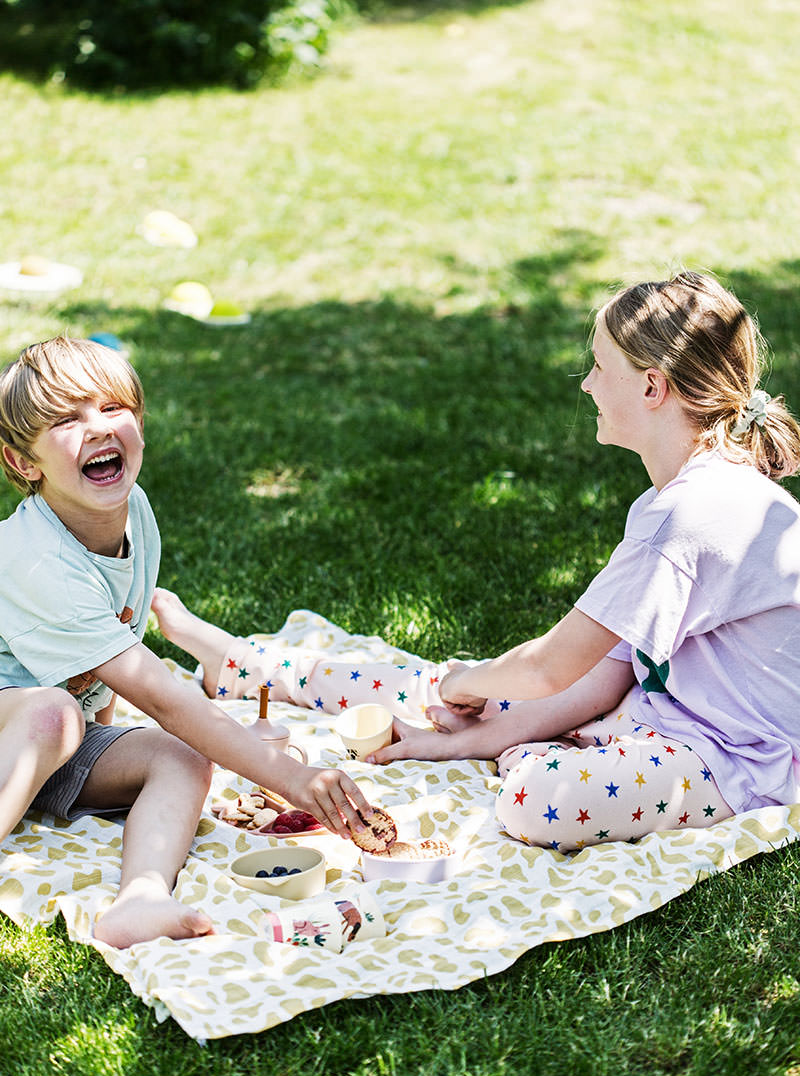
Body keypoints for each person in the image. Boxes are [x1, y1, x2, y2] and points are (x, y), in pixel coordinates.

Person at [154, 271, 800, 852]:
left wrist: (471, 693)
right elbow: (608, 669)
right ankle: (246, 666)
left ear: (652, 386)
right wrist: (474, 728)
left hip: (737, 758)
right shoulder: (682, 499)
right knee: (434, 691)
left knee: (535, 796)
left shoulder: (688, 518)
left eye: (600, 367)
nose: (586, 383)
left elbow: (551, 668)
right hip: (651, 710)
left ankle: (538, 747)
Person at [0, 337, 370, 950]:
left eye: (112, 408)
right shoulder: (35, 561)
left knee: (181, 755)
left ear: (139, 424)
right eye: (67, 419)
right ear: (23, 464)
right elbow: (160, 692)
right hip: (28, 725)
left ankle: (140, 898)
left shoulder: (132, 512)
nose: (97, 428)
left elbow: (115, 674)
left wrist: (120, 738)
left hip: (44, 747)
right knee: (53, 712)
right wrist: (289, 778)